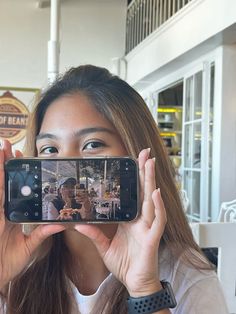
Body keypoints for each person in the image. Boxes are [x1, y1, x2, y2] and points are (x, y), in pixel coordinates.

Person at [0, 65, 228, 314]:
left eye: (92, 144)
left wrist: (145, 290)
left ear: (134, 152)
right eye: (49, 149)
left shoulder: (188, 278)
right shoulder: (17, 267)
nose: (66, 166)